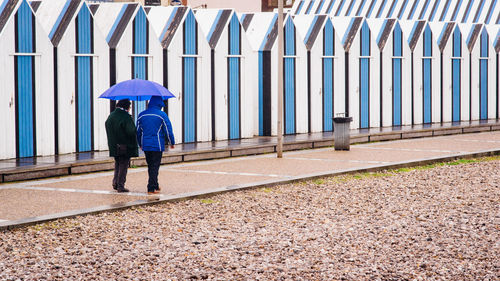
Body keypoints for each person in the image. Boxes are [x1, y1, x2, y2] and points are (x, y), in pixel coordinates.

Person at [136, 96, 175, 194]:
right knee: (155, 166)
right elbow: (168, 130)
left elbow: (138, 131)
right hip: (157, 145)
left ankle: (156, 185)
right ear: (160, 104)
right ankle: (151, 187)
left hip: (146, 145)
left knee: (151, 165)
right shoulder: (162, 115)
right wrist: (172, 142)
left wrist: (140, 143)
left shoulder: (141, 115)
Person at [105, 99, 138, 193]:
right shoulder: (125, 117)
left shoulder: (111, 116)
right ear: (126, 106)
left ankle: (115, 183)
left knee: (118, 164)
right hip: (124, 146)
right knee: (123, 165)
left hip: (114, 146)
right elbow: (131, 131)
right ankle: (120, 186)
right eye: (129, 106)